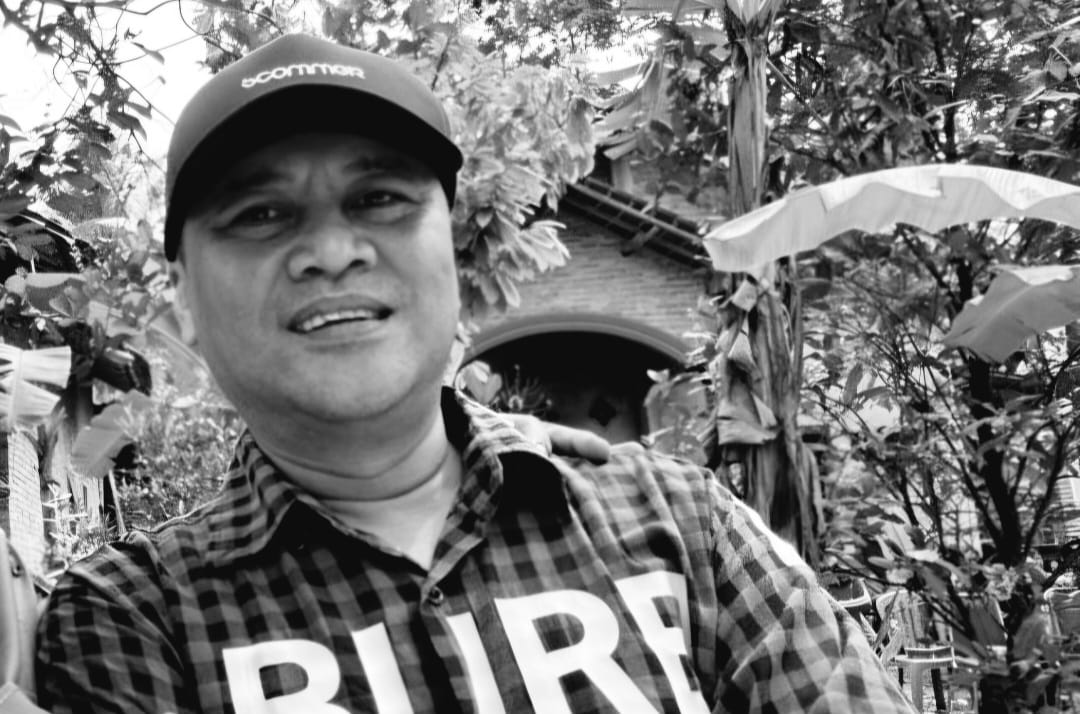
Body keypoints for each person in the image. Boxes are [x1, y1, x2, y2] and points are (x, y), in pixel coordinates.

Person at [35, 34, 914, 713]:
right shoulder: (133, 623)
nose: (332, 250)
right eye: (260, 214)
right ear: (183, 297)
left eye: (380, 199)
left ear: (448, 251)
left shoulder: (685, 527)